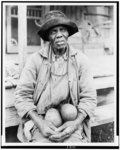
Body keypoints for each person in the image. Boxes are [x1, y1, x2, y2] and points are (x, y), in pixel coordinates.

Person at [15, 10, 97, 143]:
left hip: (71, 118)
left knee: (71, 123)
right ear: (48, 36)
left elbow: (90, 97)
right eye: (54, 31)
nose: (59, 35)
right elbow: (21, 96)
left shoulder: (81, 60)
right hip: (42, 117)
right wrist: (40, 123)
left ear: (68, 33)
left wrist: (75, 124)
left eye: (62, 30)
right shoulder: (36, 60)